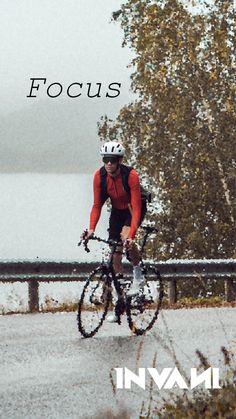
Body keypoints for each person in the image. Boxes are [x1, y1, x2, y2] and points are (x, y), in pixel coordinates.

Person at [81, 141, 146, 322]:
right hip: (117, 211)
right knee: (114, 252)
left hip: (133, 209)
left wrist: (131, 236)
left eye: (112, 160)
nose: (108, 163)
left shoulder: (131, 175)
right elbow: (96, 206)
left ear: (119, 160)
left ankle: (138, 274)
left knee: (125, 239)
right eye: (105, 159)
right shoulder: (99, 176)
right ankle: (120, 301)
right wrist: (91, 229)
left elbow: (137, 208)